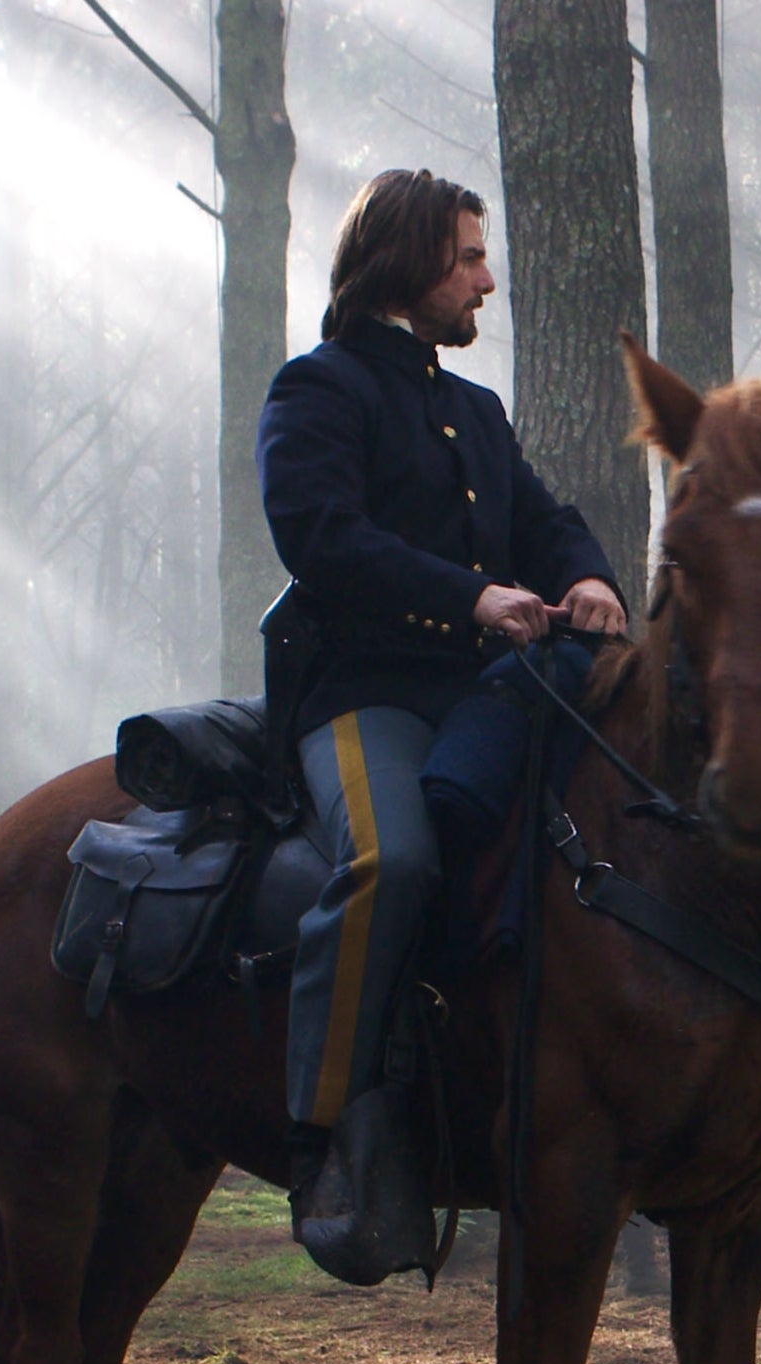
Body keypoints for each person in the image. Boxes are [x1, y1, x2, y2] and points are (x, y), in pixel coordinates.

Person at [257, 168, 626, 1284]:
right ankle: (324, 1140)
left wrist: (589, 576)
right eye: (468, 256)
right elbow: (318, 536)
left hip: (478, 698)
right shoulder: (316, 389)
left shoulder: (474, 409)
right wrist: (471, 597)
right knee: (393, 858)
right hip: (363, 696)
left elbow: (542, 518)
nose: (485, 277)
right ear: (411, 261)